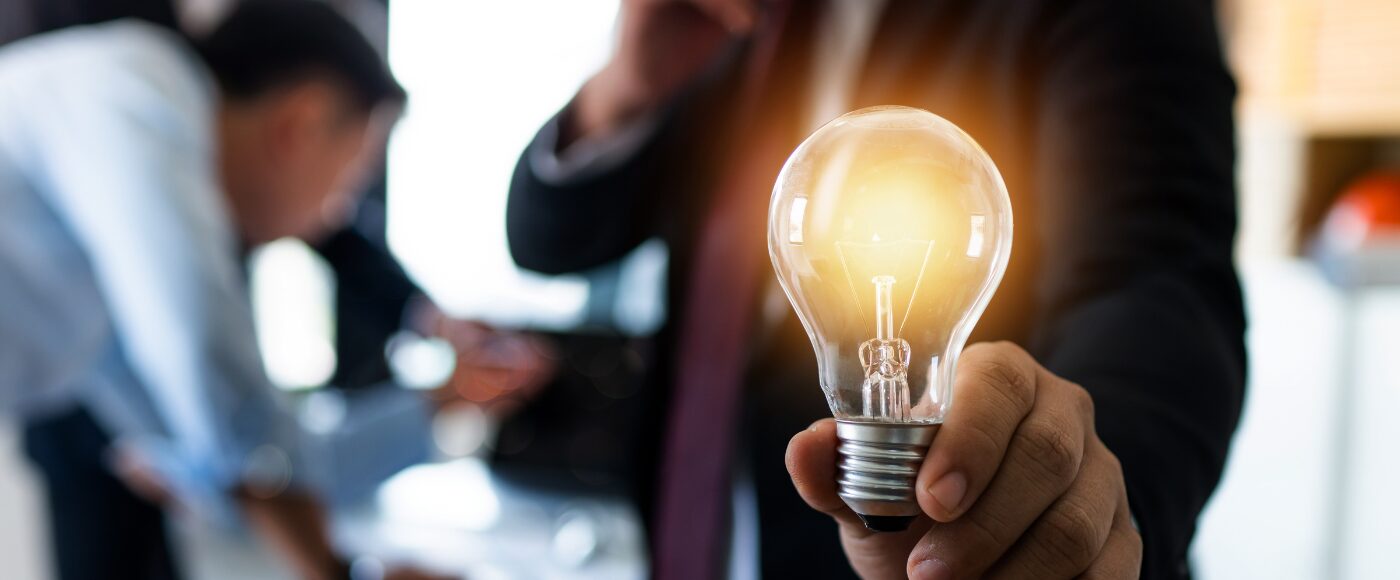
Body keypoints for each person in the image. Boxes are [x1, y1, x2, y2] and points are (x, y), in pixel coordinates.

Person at [506, 0, 1245, 578]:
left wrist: (1081, 509)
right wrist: (626, 88)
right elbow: (551, 242)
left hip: (936, 547)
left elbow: (1157, 279)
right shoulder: (737, 20)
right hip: (695, 524)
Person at [0, 1, 449, 579]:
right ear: (302, 124)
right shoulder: (134, 88)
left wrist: (442, 405)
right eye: (353, 178)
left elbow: (228, 462)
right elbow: (229, 405)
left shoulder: (98, 260)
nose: (336, 215)